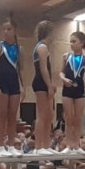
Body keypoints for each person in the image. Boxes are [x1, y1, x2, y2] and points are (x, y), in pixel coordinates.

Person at [0, 19, 24, 156]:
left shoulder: (19, 49)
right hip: (2, 83)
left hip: (14, 83)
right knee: (2, 115)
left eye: (9, 29)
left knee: (13, 116)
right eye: (4, 29)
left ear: (15, 31)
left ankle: (11, 145)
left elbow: (20, 70)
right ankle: (0, 146)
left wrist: (22, 86)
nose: (6, 32)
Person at [60, 32, 85, 154]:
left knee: (78, 118)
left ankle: (76, 145)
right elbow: (61, 72)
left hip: (80, 89)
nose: (71, 44)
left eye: (74, 41)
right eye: (70, 41)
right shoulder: (66, 56)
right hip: (67, 88)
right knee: (68, 118)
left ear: (82, 43)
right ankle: (68, 145)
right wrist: (63, 79)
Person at [31, 21, 57, 155]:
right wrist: (49, 86)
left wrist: (51, 84)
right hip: (41, 82)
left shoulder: (44, 47)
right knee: (42, 115)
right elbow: (43, 69)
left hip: (45, 82)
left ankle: (46, 145)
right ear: (49, 33)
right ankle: (38, 146)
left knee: (49, 115)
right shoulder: (42, 47)